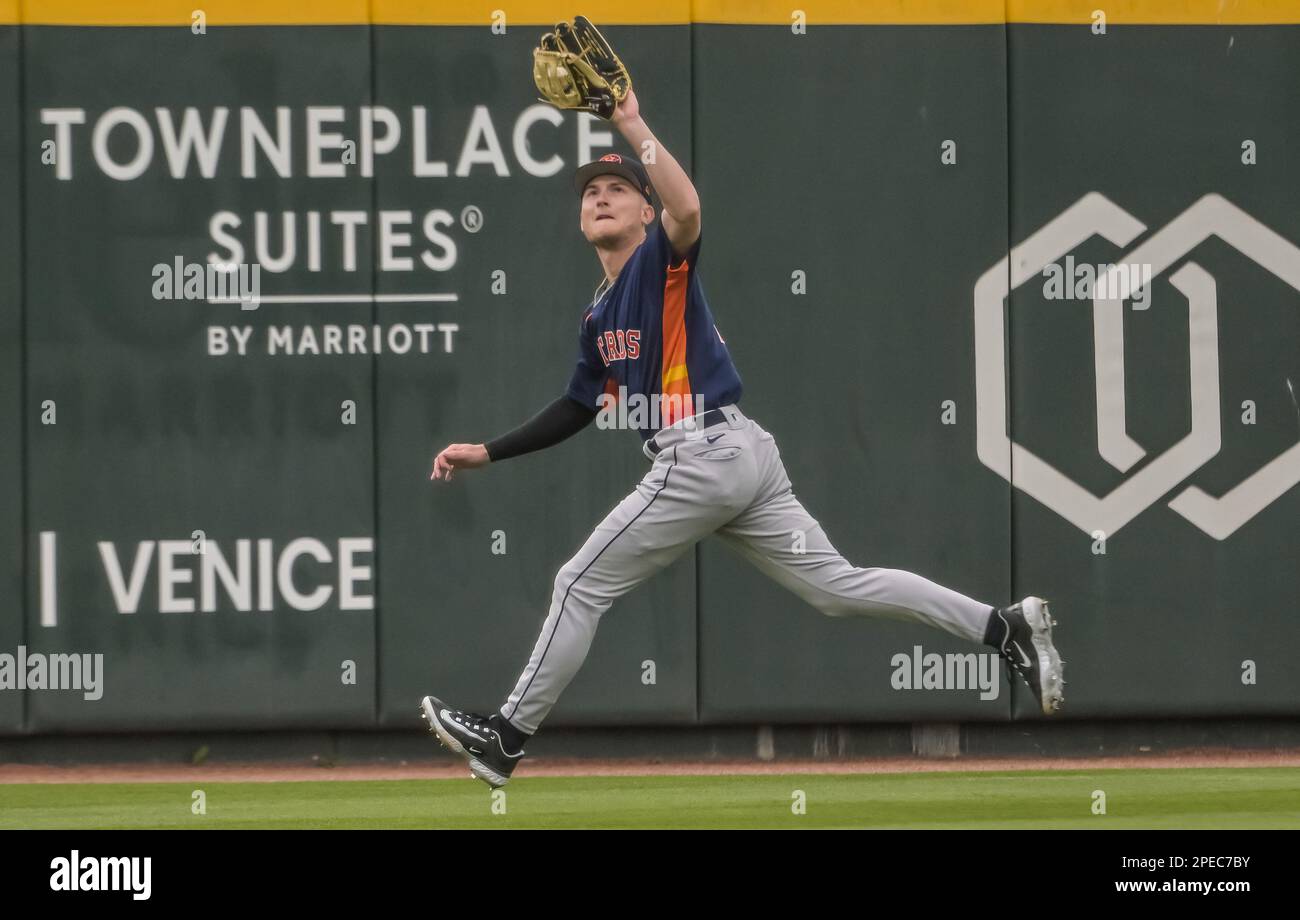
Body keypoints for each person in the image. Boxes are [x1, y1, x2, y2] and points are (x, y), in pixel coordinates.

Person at [421, 89, 1064, 788]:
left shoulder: (658, 262)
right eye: (590, 192)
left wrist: (629, 124)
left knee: (578, 583)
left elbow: (689, 209)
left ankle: (507, 736)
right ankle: (1004, 628)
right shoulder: (599, 315)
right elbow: (578, 405)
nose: (600, 198)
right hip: (740, 460)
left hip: (704, 453)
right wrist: (488, 451)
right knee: (838, 587)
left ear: (645, 211)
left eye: (617, 189)